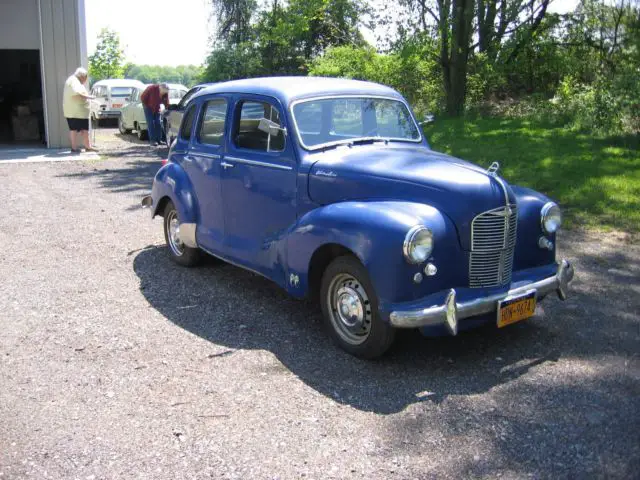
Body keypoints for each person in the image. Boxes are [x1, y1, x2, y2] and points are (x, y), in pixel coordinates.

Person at [62, 67, 97, 153]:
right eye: (85, 77)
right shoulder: (74, 81)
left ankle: (80, 147)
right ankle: (84, 147)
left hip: (73, 111)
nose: (85, 80)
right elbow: (77, 92)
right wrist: (90, 97)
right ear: (82, 76)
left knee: (75, 130)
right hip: (77, 112)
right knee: (82, 130)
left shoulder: (72, 79)